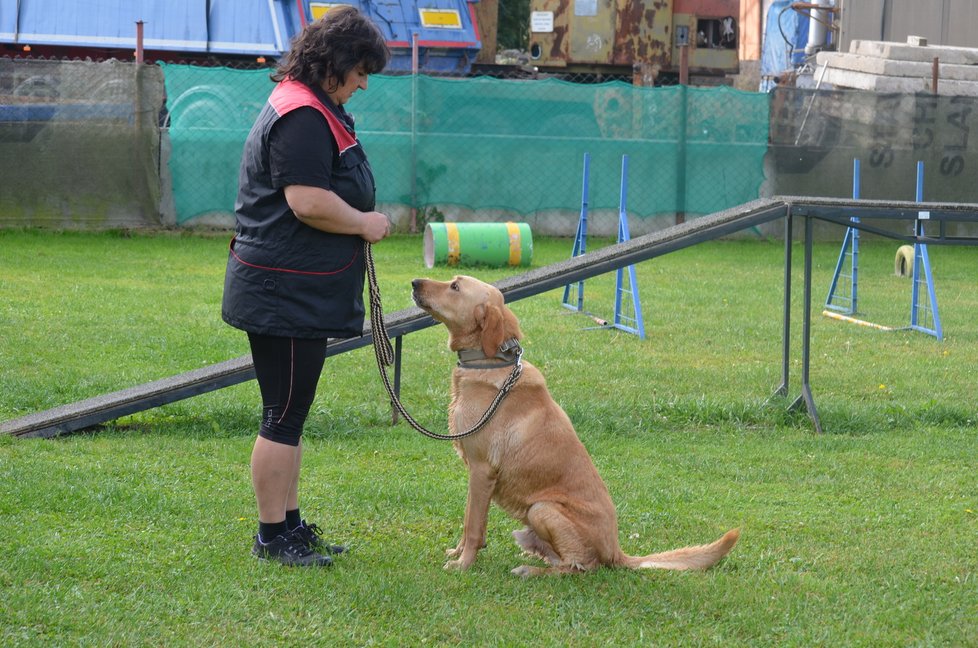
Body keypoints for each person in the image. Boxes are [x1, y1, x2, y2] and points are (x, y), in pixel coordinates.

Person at [221, 6, 392, 567]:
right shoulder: (301, 115)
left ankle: (290, 527)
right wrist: (366, 223)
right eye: (361, 70)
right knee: (283, 416)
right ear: (335, 63)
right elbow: (307, 200)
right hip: (283, 289)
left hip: (290, 284)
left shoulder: (311, 104)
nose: (364, 83)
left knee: (288, 413)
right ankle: (272, 539)